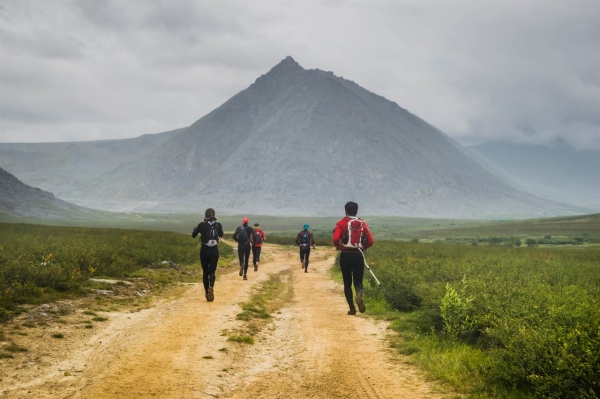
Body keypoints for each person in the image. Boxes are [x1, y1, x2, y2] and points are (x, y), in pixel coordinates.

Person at [332, 201, 374, 315]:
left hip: (345, 255)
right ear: (356, 210)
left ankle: (352, 308)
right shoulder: (362, 223)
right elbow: (371, 240)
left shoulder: (341, 223)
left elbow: (336, 238)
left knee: (347, 281)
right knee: (358, 280)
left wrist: (338, 246)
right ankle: (359, 292)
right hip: (358, 255)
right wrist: (363, 247)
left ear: (346, 211)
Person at [191, 208, 224, 302]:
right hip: (214, 250)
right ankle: (211, 286)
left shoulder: (202, 224)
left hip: (204, 249)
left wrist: (197, 228)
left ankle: (207, 293)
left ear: (205, 215)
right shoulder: (218, 224)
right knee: (212, 271)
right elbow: (221, 235)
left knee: (205, 272)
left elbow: (194, 235)